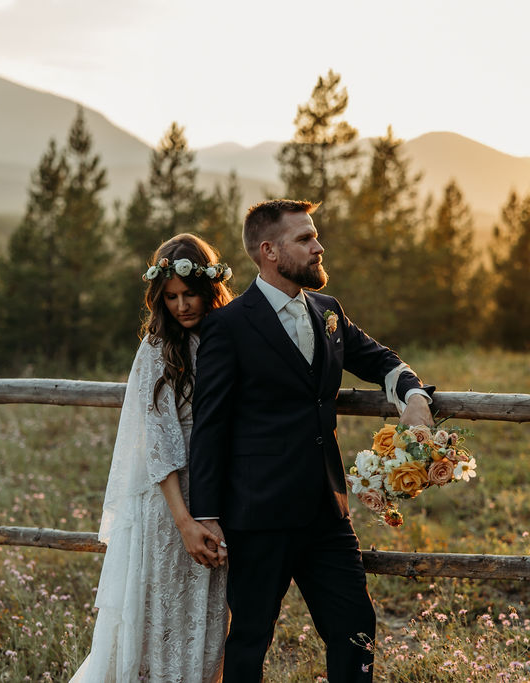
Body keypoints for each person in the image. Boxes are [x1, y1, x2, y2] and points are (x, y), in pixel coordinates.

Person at [188, 200, 435, 682]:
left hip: (327, 513)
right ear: (269, 252)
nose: (318, 247)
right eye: (305, 239)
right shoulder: (229, 326)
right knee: (250, 640)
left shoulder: (328, 311)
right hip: (257, 516)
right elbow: (209, 425)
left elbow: (380, 360)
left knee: (356, 629)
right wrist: (206, 516)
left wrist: (416, 397)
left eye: (315, 236)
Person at [71, 233, 233, 683]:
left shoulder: (224, 338)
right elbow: (160, 443)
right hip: (169, 506)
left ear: (209, 289)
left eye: (190, 294)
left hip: (217, 496)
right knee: (160, 623)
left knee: (206, 625)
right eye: (172, 298)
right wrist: (184, 522)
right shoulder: (159, 349)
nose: (182, 306)